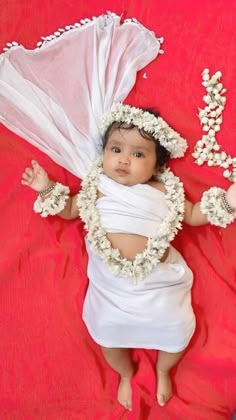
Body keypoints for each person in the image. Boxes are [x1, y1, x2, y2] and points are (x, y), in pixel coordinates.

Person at [21, 104, 236, 411]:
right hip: (112, 288)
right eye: (116, 149)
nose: (124, 159)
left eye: (138, 154)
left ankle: (163, 369)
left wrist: (229, 201)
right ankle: (125, 373)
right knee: (107, 334)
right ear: (104, 152)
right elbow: (70, 209)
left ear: (156, 165)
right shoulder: (97, 189)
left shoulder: (165, 191)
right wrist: (46, 188)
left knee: (177, 329)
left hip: (157, 285)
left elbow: (193, 214)